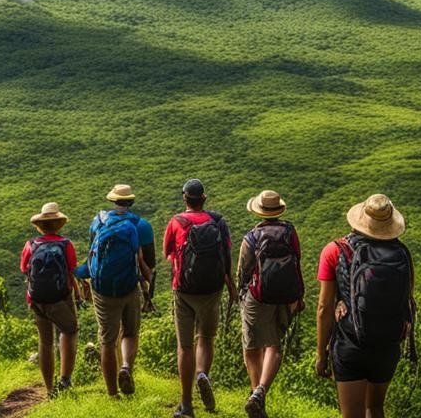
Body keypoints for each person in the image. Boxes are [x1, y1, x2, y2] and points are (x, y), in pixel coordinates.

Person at [314, 194, 416, 418]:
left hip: (350, 343)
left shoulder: (335, 250)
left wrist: (321, 353)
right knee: (375, 408)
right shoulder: (401, 253)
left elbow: (323, 308)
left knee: (353, 414)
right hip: (388, 344)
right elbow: (406, 299)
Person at [163, 178, 237, 418]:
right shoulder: (218, 221)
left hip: (184, 290)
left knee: (185, 347)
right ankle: (202, 373)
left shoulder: (176, 222)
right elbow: (227, 255)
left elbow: (168, 255)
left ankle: (186, 404)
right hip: (212, 290)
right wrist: (232, 286)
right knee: (206, 338)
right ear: (204, 198)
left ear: (185, 198)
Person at [75, 183, 152, 397]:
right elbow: (146, 261)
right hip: (129, 286)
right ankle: (126, 366)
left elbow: (92, 253)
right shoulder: (140, 225)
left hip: (103, 289)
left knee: (107, 340)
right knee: (130, 332)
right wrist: (147, 289)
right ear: (131, 202)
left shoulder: (98, 221)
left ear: (112, 201)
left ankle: (112, 394)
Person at [236, 190, 305, 418]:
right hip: (287, 296)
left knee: (252, 346)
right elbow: (297, 261)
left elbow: (243, 271)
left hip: (259, 296)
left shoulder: (252, 237)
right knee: (274, 345)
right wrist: (298, 295)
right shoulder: (290, 232)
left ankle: (256, 393)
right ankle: (260, 393)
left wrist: (239, 294)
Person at [19, 202, 81, 398]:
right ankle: (65, 379)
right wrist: (78, 294)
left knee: (45, 342)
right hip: (61, 297)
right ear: (59, 224)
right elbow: (72, 271)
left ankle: (48, 389)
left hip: (36, 299)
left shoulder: (30, 245)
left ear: (40, 225)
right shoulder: (66, 244)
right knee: (69, 331)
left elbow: (24, 269)